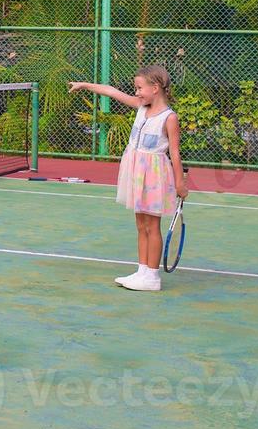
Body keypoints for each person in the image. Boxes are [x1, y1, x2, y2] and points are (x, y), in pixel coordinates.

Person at [68, 66, 187, 291]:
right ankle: (142, 271)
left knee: (153, 225)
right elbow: (111, 91)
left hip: (154, 174)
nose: (137, 92)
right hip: (135, 170)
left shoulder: (169, 118)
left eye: (140, 88)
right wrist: (84, 85)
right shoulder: (141, 106)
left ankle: (152, 276)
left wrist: (180, 183)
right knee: (141, 224)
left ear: (155, 88)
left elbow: (175, 153)